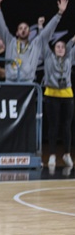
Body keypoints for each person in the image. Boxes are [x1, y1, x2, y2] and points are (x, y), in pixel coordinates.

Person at [0, 0, 67, 82]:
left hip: (27, 83)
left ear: (30, 33)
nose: (23, 30)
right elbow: (1, 26)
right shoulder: (10, 42)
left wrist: (59, 13)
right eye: (20, 28)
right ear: (17, 33)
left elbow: (47, 31)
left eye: (26, 28)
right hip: (10, 82)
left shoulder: (35, 45)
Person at [42, 33, 75, 170]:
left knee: (67, 126)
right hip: (51, 94)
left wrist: (72, 40)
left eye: (62, 47)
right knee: (53, 126)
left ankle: (67, 154)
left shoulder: (69, 56)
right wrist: (40, 28)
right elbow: (43, 40)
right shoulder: (48, 57)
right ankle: (52, 155)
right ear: (53, 49)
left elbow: (71, 45)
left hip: (67, 94)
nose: (60, 49)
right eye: (58, 47)